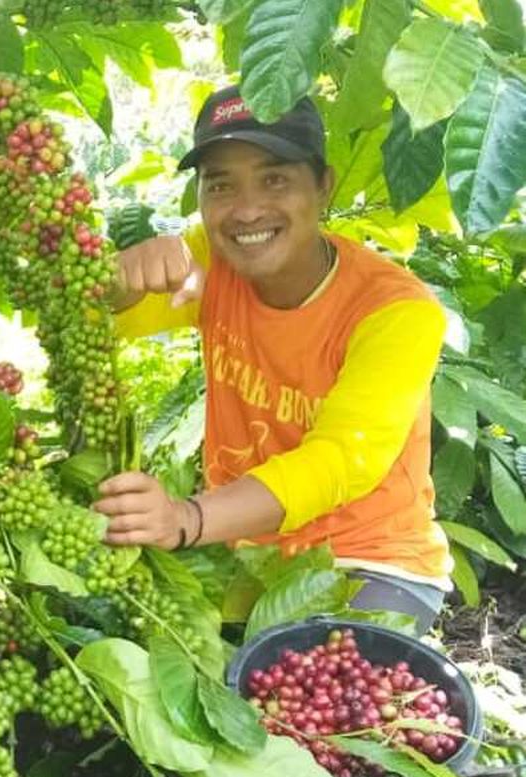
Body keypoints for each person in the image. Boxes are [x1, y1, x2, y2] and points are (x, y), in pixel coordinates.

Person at [94, 85, 451, 634]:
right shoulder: (212, 262)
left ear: (324, 187)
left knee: (315, 701)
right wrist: (114, 285)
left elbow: (337, 461)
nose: (247, 209)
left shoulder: (396, 312)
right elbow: (93, 324)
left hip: (369, 561)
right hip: (246, 553)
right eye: (221, 185)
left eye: (275, 178)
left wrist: (185, 518)